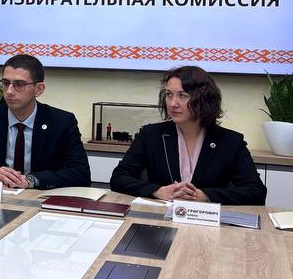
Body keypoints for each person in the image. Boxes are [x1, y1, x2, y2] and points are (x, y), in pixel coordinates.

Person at [110, 65, 266, 205]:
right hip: (161, 218)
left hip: (208, 222)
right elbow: (119, 178)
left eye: (182, 95)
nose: (173, 103)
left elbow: (256, 192)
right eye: (169, 95)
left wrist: (206, 196)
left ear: (203, 99)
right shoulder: (151, 135)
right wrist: (158, 191)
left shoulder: (230, 142)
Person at [0, 54, 90, 189]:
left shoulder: (61, 122)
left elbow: (80, 174)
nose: (9, 91)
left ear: (39, 89)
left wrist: (31, 180)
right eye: (5, 83)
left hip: (40, 198)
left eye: (19, 84)